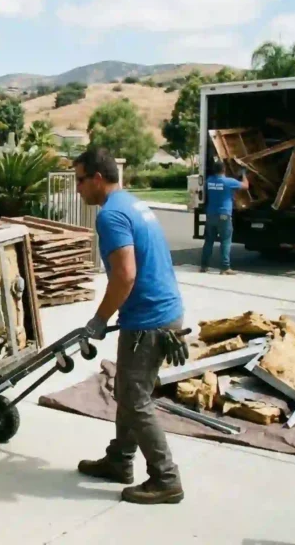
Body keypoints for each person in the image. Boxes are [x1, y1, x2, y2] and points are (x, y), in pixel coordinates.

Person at [73, 147, 190, 505]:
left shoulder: (111, 215)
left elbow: (124, 275)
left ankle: (166, 478)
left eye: (80, 180)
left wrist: (99, 320)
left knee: (135, 398)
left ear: (97, 178)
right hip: (162, 312)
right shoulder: (133, 204)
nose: (78, 189)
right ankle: (120, 460)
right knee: (128, 390)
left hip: (147, 321)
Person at [201, 158, 248, 275]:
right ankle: (225, 267)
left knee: (208, 241)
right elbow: (246, 186)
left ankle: (204, 266)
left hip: (211, 215)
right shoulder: (229, 182)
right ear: (224, 169)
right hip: (224, 215)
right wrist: (243, 174)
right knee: (225, 241)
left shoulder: (209, 181)